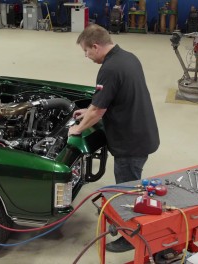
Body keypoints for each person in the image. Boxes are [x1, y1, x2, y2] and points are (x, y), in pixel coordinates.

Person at [68, 24, 160, 252]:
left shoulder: (109, 68)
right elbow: (105, 100)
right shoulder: (127, 57)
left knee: (127, 189)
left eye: (86, 51)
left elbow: (98, 111)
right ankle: (124, 218)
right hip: (141, 132)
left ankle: (130, 236)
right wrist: (87, 111)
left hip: (130, 143)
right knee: (130, 183)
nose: (86, 56)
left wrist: (78, 128)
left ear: (96, 46)